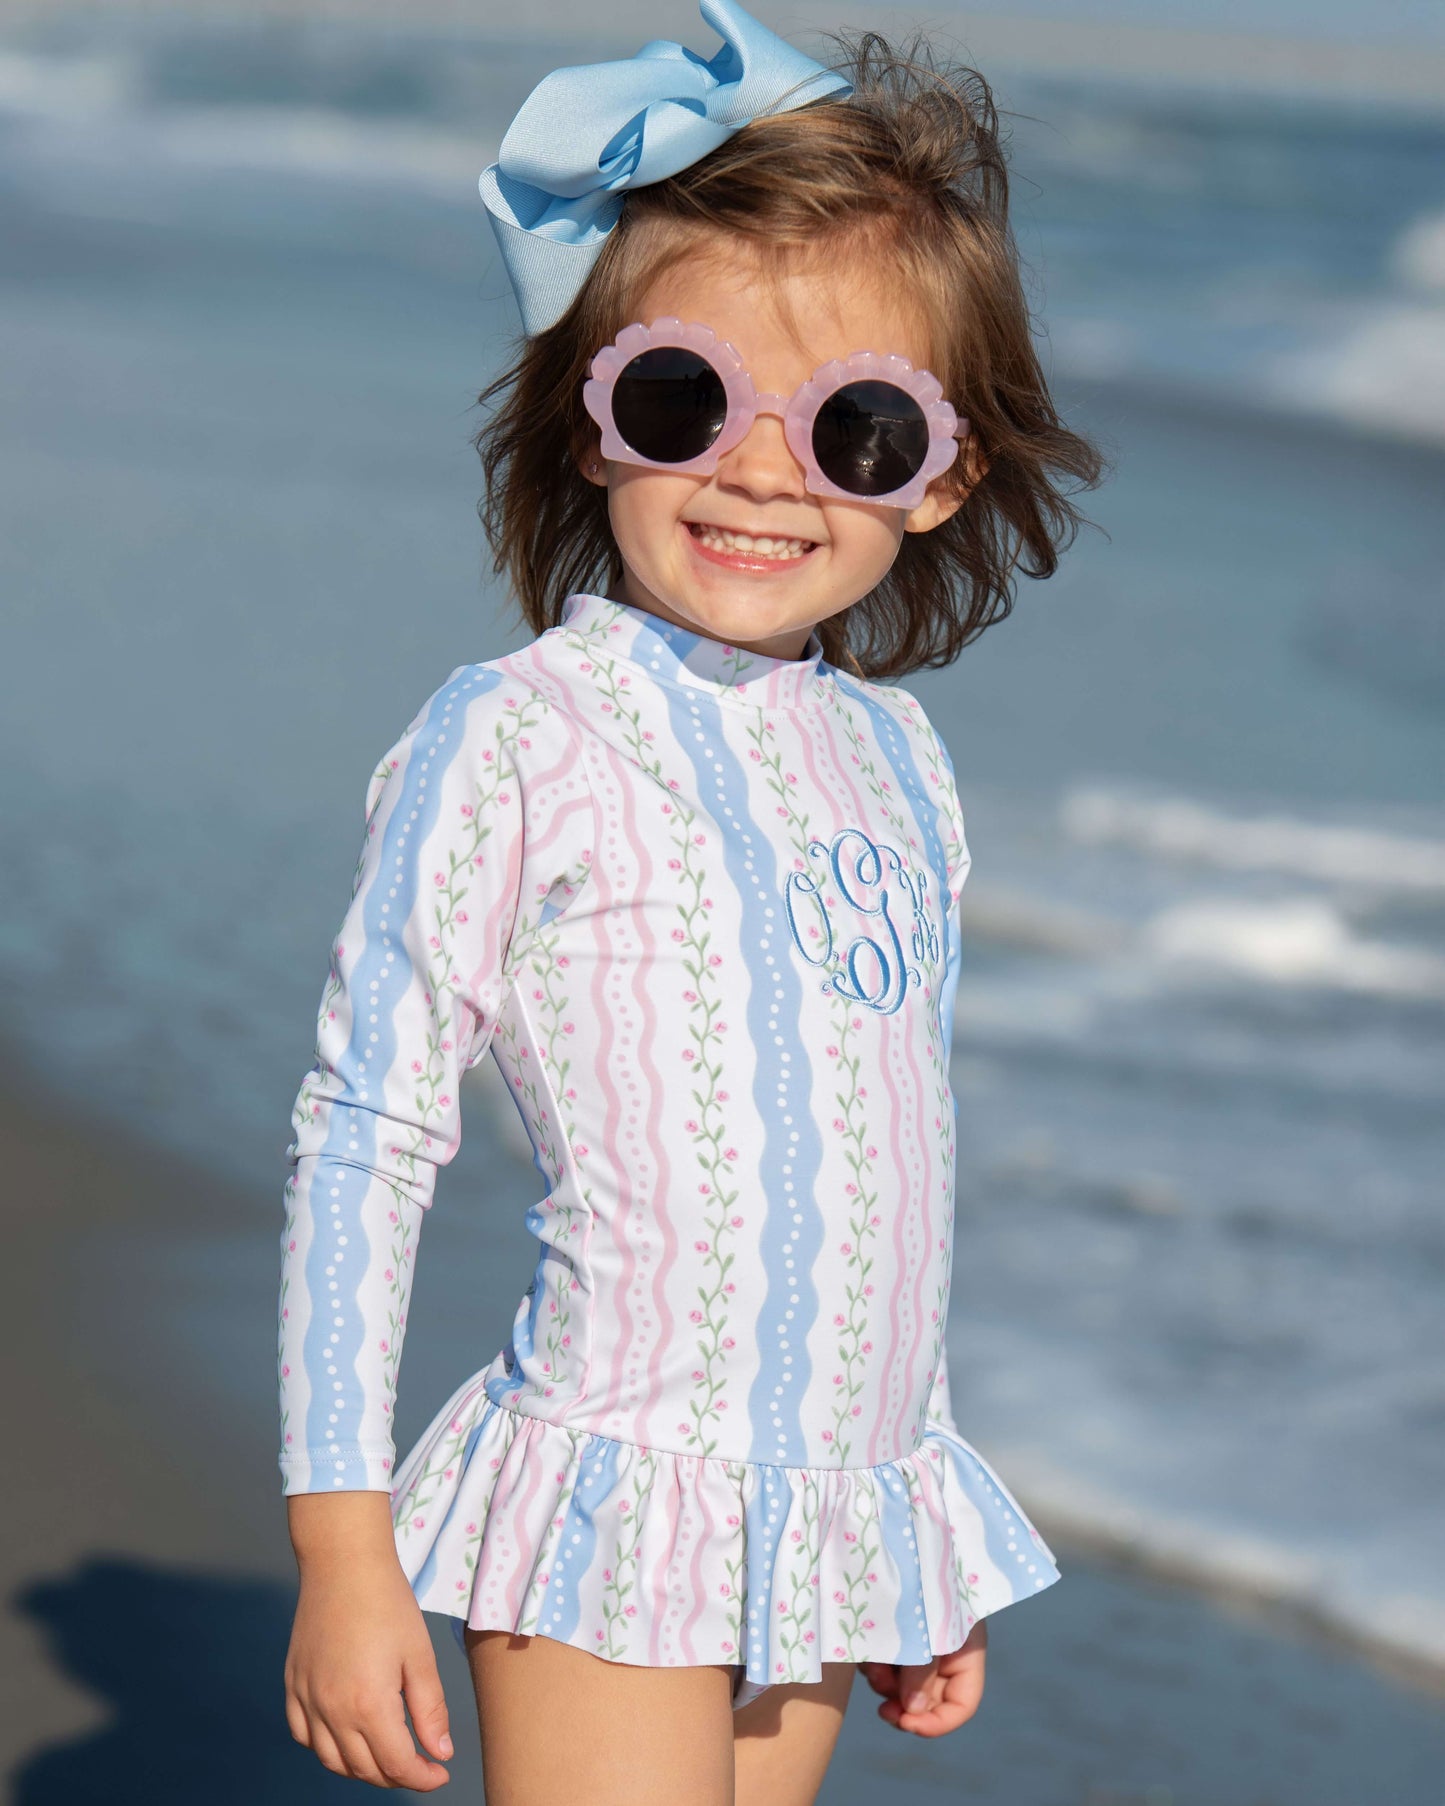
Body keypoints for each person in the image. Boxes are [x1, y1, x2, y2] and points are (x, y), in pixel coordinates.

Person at [278, 2, 1107, 1799]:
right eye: (683, 397)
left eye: (857, 429)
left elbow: (898, 1170)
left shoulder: (899, 769)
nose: (753, 469)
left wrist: (915, 1514)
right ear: (590, 421)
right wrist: (345, 1557)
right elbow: (366, 1134)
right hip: (609, 1494)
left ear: (946, 471)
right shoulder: (516, 737)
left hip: (831, 1514)